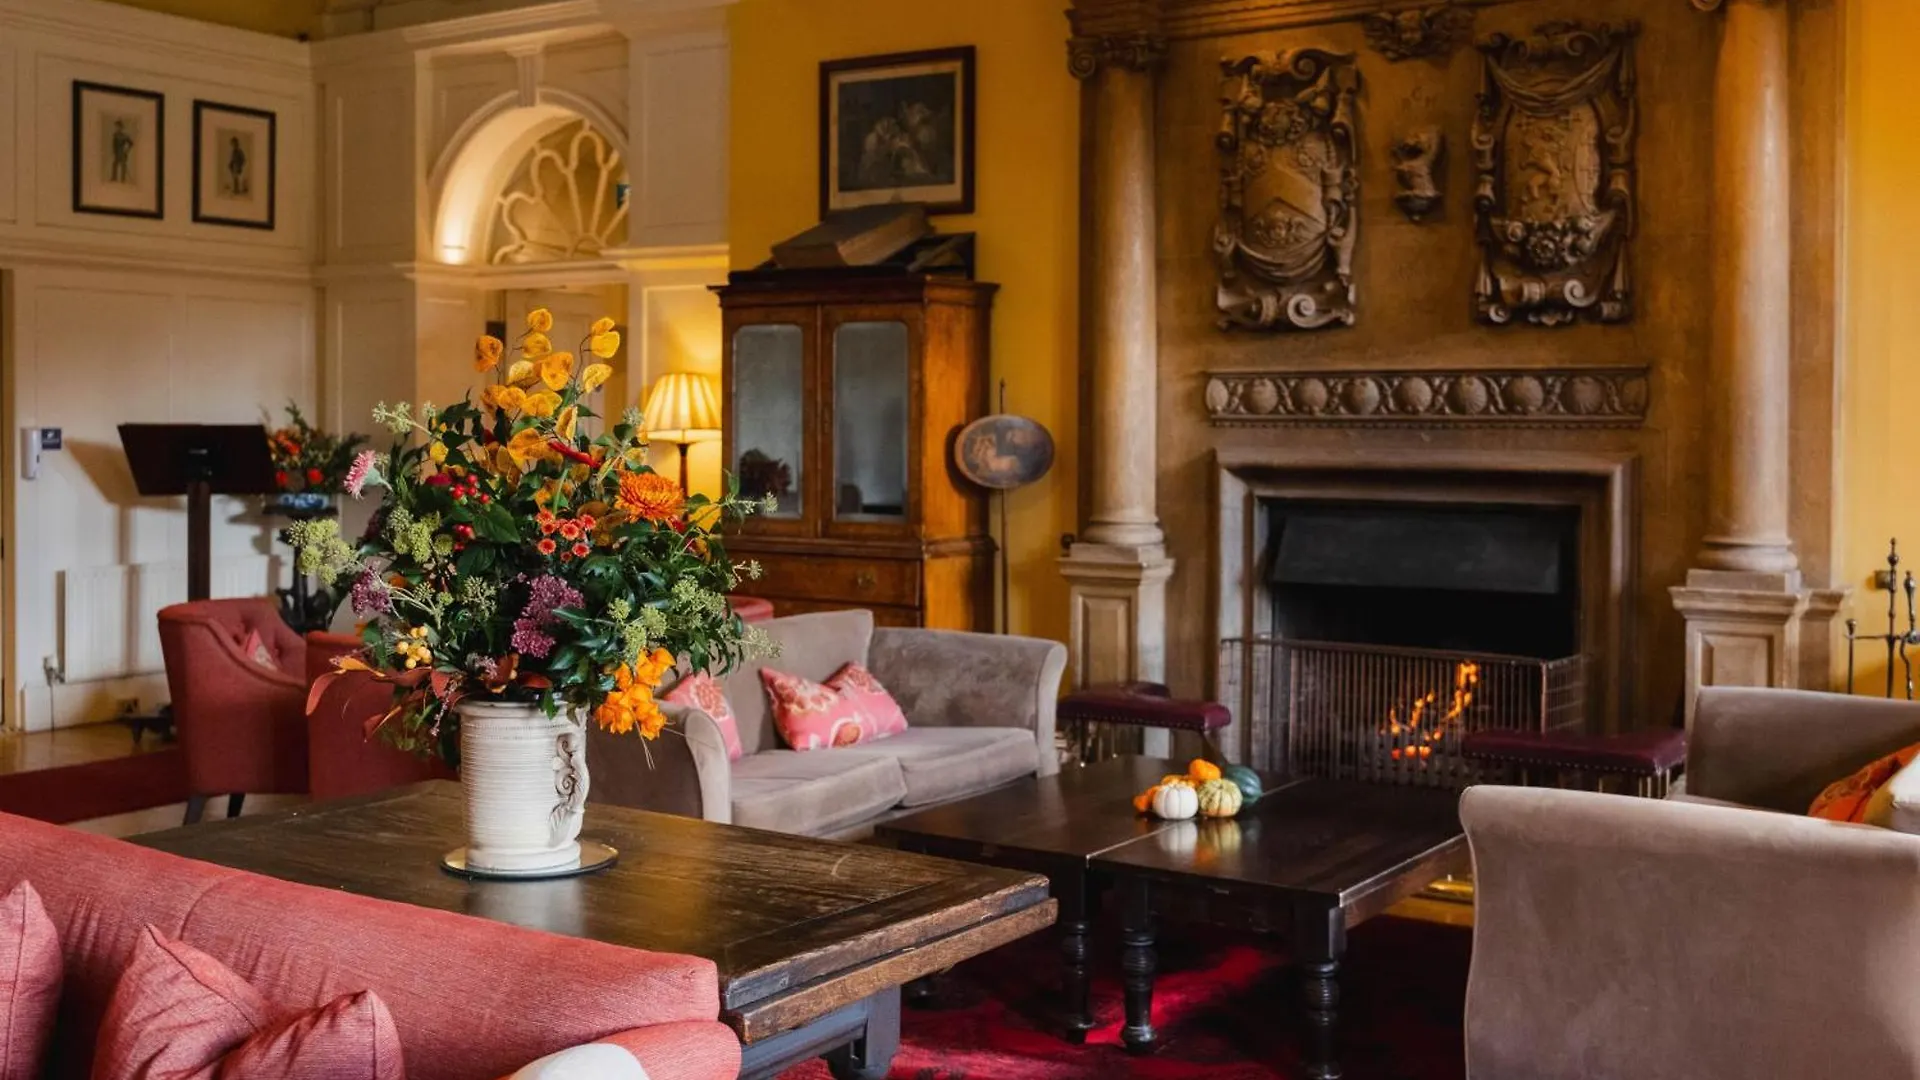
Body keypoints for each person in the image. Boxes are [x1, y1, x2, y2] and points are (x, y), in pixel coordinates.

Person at [109, 119, 133, 183]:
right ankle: (114, 178)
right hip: (117, 153)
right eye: (116, 127)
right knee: (114, 164)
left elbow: (131, 143)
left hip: (122, 153)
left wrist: (126, 150)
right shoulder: (115, 135)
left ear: (121, 128)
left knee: (123, 165)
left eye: (118, 127)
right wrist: (114, 152)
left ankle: (123, 180)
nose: (117, 128)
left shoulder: (124, 136)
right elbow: (114, 145)